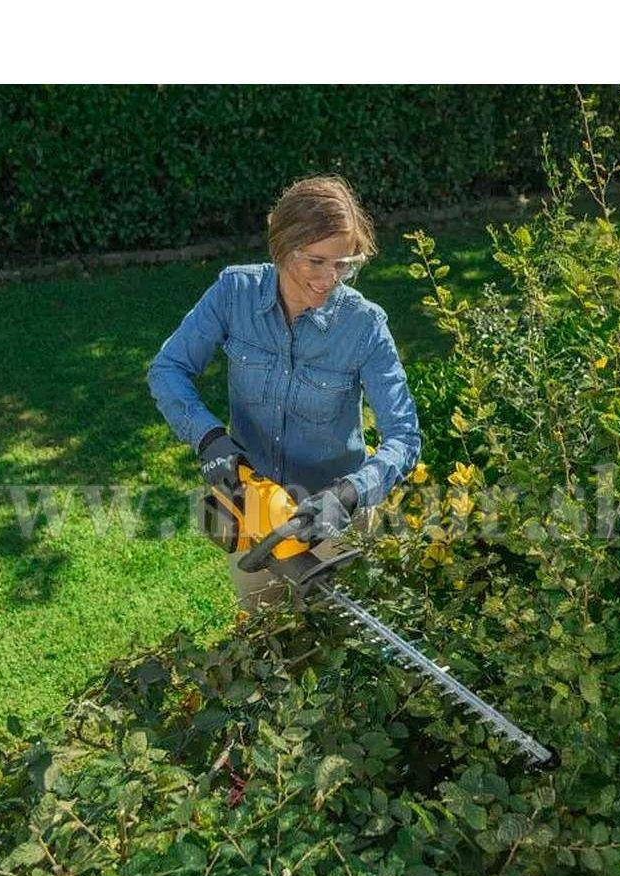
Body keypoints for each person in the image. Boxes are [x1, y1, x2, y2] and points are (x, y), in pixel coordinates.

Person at [147, 175, 421, 609]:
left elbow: (404, 436)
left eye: (344, 264)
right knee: (261, 636)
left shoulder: (364, 326)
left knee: (342, 641)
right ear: (283, 246)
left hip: (334, 526)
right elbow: (168, 369)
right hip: (254, 513)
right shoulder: (234, 294)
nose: (330, 278)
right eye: (316, 262)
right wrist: (209, 438)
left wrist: (349, 494)